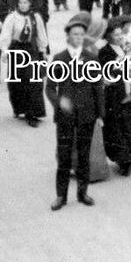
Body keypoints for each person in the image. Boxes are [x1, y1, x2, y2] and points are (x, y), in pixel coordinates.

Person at [45, 12, 104, 210]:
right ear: (68, 37)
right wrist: (59, 102)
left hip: (87, 114)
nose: (78, 38)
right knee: (64, 157)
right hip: (65, 117)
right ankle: (61, 196)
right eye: (75, 34)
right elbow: (49, 88)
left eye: (81, 34)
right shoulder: (59, 59)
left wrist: (100, 114)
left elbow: (97, 87)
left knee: (84, 156)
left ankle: (82, 193)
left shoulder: (91, 58)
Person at [98, 16, 131, 176]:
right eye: (116, 35)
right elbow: (106, 73)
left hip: (130, 90)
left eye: (121, 34)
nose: (120, 37)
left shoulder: (127, 46)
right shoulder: (104, 52)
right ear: (108, 36)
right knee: (119, 126)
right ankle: (123, 160)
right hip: (115, 94)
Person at [0, 0, 50, 126]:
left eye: (25, 3)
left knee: (33, 80)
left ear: (30, 4)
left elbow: (41, 34)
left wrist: (43, 50)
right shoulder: (12, 17)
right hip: (16, 49)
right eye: (20, 3)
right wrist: (4, 50)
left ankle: (32, 113)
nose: (22, 5)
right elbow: (6, 35)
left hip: (31, 49)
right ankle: (19, 108)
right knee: (17, 82)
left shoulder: (36, 17)